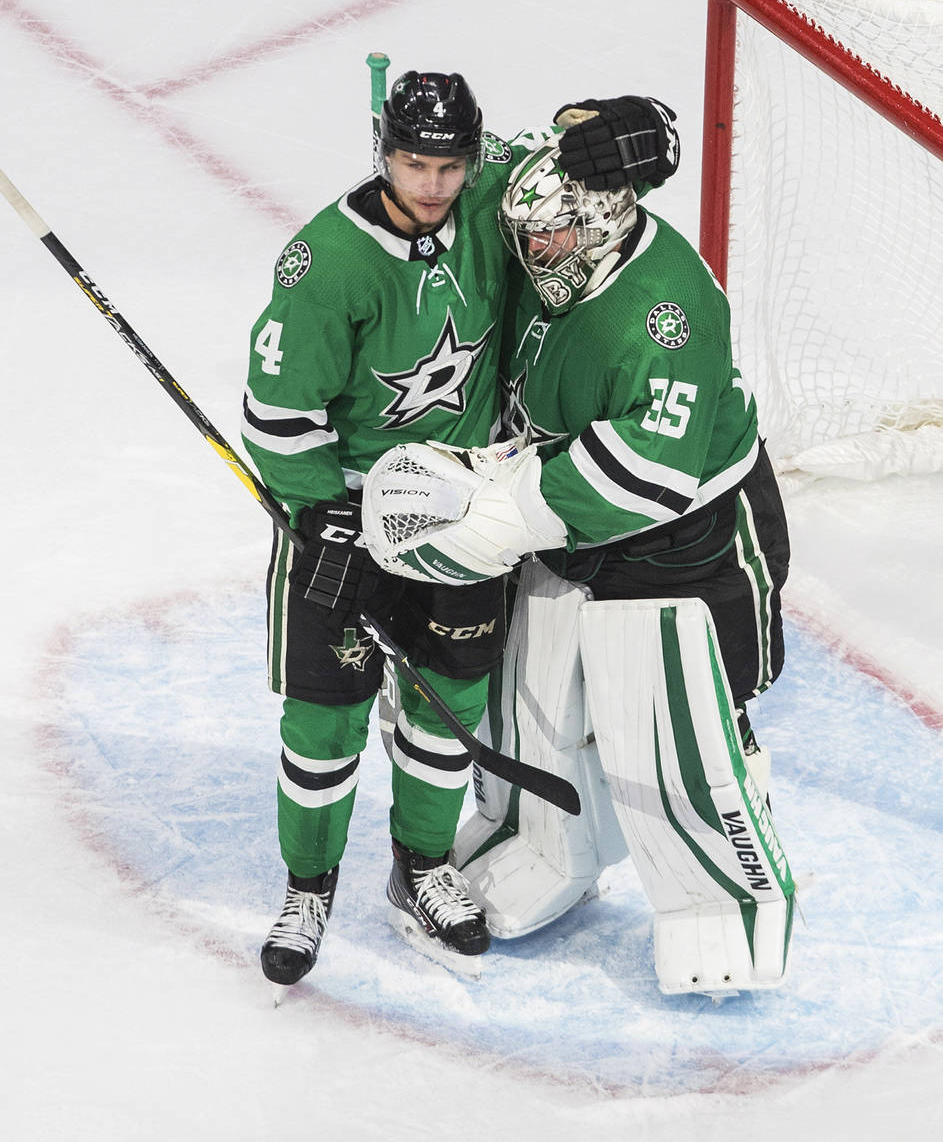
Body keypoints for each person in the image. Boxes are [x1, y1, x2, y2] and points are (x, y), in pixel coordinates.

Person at [241, 70, 680, 988]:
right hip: (352, 518)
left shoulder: (490, 200)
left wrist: (628, 129)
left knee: (450, 711)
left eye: (450, 164)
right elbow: (277, 417)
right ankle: (308, 887)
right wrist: (321, 513)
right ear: (381, 150)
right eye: (412, 162)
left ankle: (424, 868)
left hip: (466, 516)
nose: (434, 184)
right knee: (324, 722)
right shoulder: (325, 263)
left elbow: (572, 153)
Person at [361, 138, 793, 992]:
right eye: (526, 236)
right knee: (533, 689)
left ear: (601, 222)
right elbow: (484, 158)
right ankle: (536, 845)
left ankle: (725, 908)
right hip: (564, 515)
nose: (530, 252)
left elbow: (648, 472)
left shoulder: (665, 312)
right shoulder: (551, 220)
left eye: (551, 239)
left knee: (678, 721)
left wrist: (501, 506)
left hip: (685, 538)